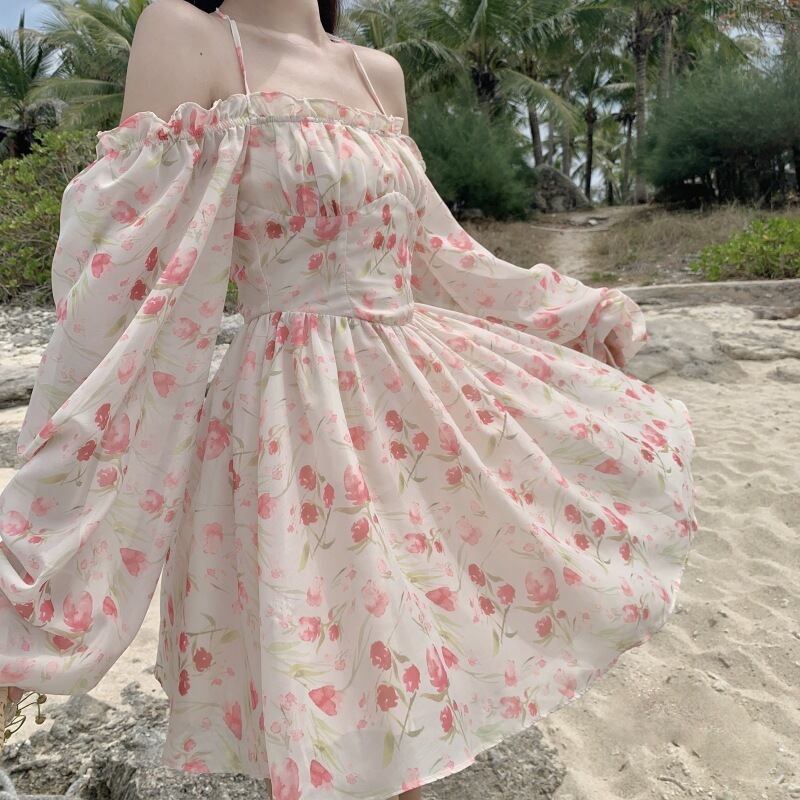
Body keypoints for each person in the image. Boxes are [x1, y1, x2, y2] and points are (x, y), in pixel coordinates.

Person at [0, 0, 698, 798]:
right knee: (340, 711)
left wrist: (568, 314)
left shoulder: (378, 73)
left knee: (408, 707)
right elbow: (127, 285)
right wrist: (50, 524)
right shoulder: (189, 35)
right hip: (292, 425)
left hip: (414, 415)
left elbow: (435, 252)